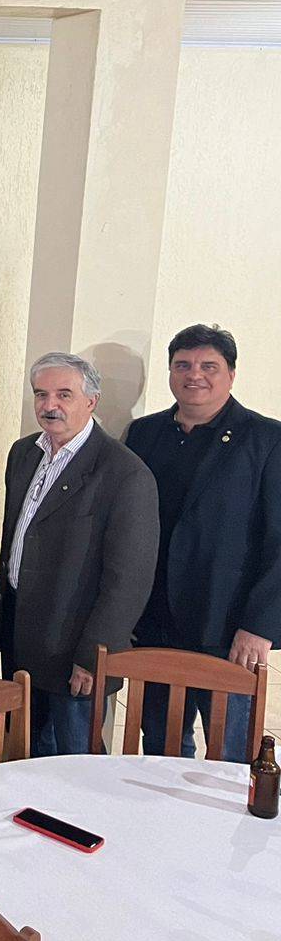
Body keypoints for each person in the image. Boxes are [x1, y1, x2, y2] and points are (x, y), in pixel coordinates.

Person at [0, 352, 158, 756]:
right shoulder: (23, 452)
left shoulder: (124, 473)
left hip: (74, 648)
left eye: (64, 394)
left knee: (72, 762)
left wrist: (95, 656)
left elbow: (129, 580)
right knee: (21, 753)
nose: (49, 405)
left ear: (91, 401)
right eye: (40, 394)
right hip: (20, 633)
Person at [126, 324, 280, 760]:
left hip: (227, 627)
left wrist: (260, 625)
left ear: (231, 374)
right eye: (183, 365)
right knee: (161, 746)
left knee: (230, 753)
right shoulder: (143, 435)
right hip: (155, 623)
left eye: (209, 366)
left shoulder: (268, 440)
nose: (195, 375)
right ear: (170, 372)